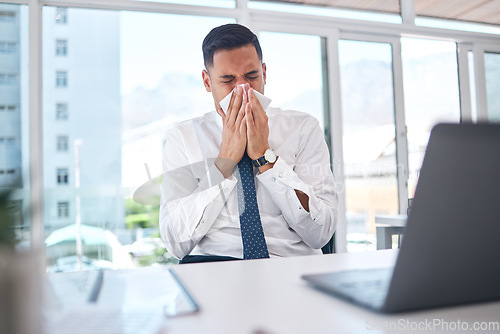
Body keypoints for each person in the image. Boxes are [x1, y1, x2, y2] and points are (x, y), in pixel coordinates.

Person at [159, 23, 337, 263]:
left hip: (290, 263)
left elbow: (321, 233)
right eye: (228, 79)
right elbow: (174, 243)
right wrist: (225, 162)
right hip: (214, 267)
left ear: (264, 72)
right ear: (207, 81)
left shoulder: (303, 128)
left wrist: (266, 157)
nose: (243, 89)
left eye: (252, 76)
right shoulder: (182, 138)